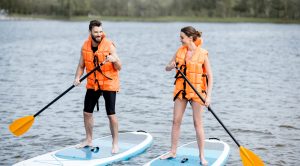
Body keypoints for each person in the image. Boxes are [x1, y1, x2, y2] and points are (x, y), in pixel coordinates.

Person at [161, 26, 213, 165]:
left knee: (197, 123)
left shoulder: (202, 53)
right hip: (181, 91)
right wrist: (171, 66)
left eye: (182, 37)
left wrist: (208, 97)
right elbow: (167, 67)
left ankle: (202, 156)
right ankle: (172, 151)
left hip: (197, 92)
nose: (180, 40)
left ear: (190, 38)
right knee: (176, 121)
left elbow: (210, 76)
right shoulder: (180, 51)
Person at [73, 20, 121, 154]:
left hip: (109, 83)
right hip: (93, 84)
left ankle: (115, 143)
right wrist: (77, 77)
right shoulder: (85, 46)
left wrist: (114, 60)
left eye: (100, 31)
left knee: (111, 114)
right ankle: (88, 139)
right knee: (87, 112)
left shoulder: (109, 45)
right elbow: (81, 65)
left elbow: (120, 67)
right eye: (96, 32)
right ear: (90, 32)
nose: (99, 34)